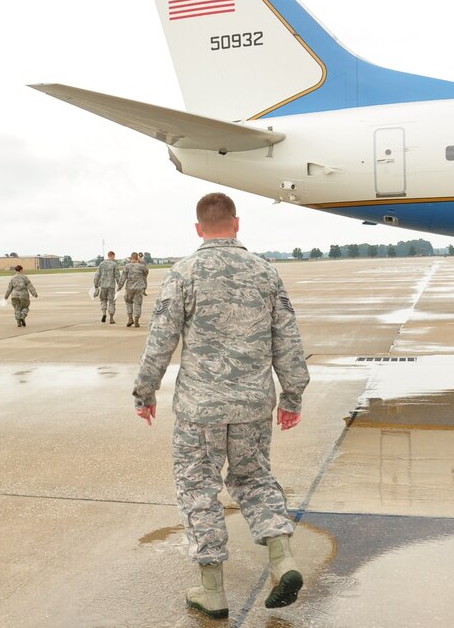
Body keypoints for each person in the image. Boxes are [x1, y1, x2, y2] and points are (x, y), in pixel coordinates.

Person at [133, 192, 310, 619]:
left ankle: (212, 591)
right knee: (254, 479)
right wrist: (292, 395)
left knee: (199, 491)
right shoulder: (265, 272)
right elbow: (288, 339)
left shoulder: (183, 273)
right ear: (236, 223)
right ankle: (282, 559)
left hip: (200, 410)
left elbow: (160, 340)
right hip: (252, 407)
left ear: (199, 229)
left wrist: (145, 392)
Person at [93, 251, 124, 324]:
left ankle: (104, 313)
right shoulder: (114, 264)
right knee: (111, 301)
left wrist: (96, 285)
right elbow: (117, 276)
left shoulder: (102, 264)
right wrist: (119, 286)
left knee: (103, 299)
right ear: (112, 255)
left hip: (103, 286)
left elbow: (97, 275)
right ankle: (111, 318)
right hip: (111, 286)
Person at [122, 252, 150, 327]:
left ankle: (130, 318)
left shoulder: (127, 266)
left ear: (131, 258)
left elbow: (123, 277)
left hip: (129, 288)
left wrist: (119, 287)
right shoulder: (142, 266)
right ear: (137, 258)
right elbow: (146, 273)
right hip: (139, 288)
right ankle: (136, 320)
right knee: (138, 304)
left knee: (128, 302)